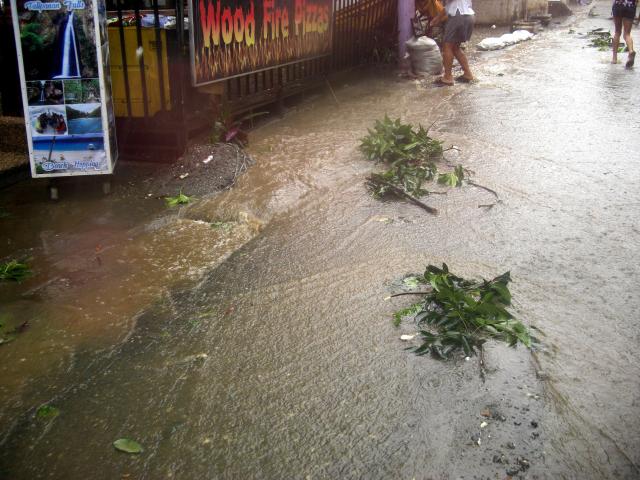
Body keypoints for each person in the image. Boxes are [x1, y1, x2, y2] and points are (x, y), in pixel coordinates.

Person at [433, 0, 474, 86]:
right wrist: (438, 18)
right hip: (468, 16)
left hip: (457, 16)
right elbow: (450, 6)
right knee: (455, 47)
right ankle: (468, 74)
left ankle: (447, 77)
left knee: (447, 46)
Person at [611, 0, 636, 67]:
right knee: (627, 34)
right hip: (630, 6)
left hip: (618, 5)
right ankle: (631, 51)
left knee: (617, 32)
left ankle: (614, 58)